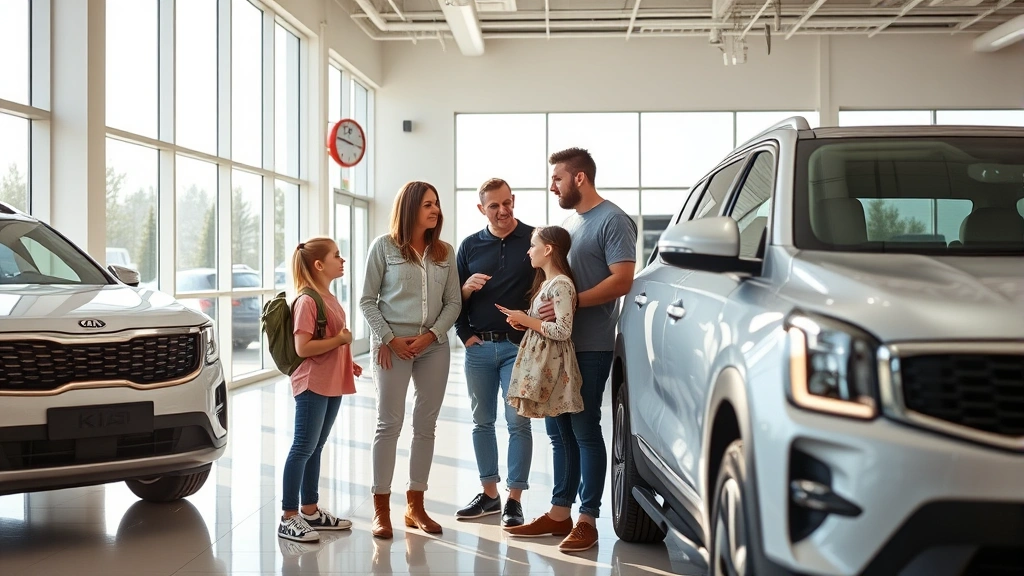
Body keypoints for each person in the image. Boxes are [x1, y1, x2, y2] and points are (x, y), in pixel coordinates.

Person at [505, 147, 637, 554]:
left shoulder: (612, 220)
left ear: (579, 178)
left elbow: (622, 281)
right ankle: (559, 513)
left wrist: (571, 301)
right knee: (558, 432)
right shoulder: (569, 223)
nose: (553, 186)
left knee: (584, 431)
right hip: (553, 352)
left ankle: (588, 519)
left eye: (558, 178)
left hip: (589, 346)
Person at [360, 181, 462, 539]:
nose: (436, 210)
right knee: (389, 424)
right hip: (391, 347)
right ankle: (381, 509)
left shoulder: (444, 252)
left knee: (426, 424)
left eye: (437, 204)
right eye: (428, 205)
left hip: (432, 345)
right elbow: (367, 300)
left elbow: (454, 303)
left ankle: (415, 505)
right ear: (410, 209)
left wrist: (430, 336)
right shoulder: (383, 247)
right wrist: (388, 339)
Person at [453, 178, 535, 528]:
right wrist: (465, 331)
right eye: (494, 206)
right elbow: (452, 301)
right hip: (479, 348)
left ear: (513, 200)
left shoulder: (535, 239)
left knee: (518, 422)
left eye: (507, 203)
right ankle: (489, 495)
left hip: (519, 348)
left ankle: (514, 501)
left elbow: (547, 287)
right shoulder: (470, 246)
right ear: (481, 209)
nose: (503, 211)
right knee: (482, 422)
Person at [278, 237, 363, 543]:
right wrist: (340, 343)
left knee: (315, 446)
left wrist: (346, 361)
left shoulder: (327, 296)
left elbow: (330, 338)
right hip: (313, 382)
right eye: (336, 256)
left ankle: (310, 510)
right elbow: (303, 347)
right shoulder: (307, 300)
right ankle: (289, 517)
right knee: (303, 446)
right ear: (318, 264)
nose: (342, 261)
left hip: (330, 380)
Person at [500, 225, 584, 420]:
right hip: (544, 362)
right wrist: (523, 321)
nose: (528, 251)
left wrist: (527, 320)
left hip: (552, 365)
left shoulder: (561, 284)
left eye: (532, 246)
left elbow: (563, 330)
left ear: (547, 250)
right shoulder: (547, 283)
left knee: (560, 432)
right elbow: (542, 320)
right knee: (555, 433)